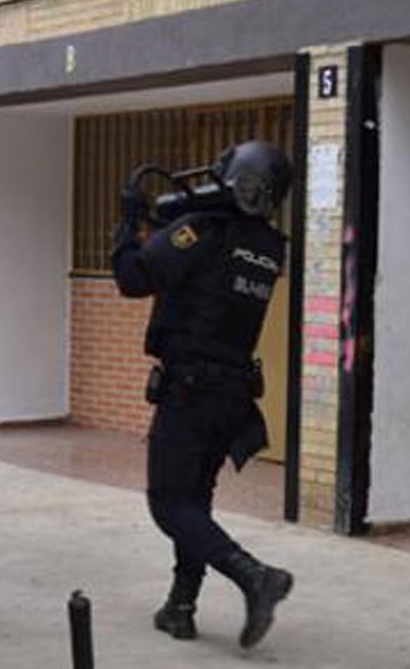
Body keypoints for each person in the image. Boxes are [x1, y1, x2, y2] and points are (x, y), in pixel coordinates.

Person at [112, 141, 294, 649]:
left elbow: (132, 278)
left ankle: (255, 577)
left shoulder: (205, 231)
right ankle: (181, 607)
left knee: (169, 504)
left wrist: (127, 226)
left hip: (191, 391)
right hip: (232, 394)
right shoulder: (268, 246)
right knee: (195, 501)